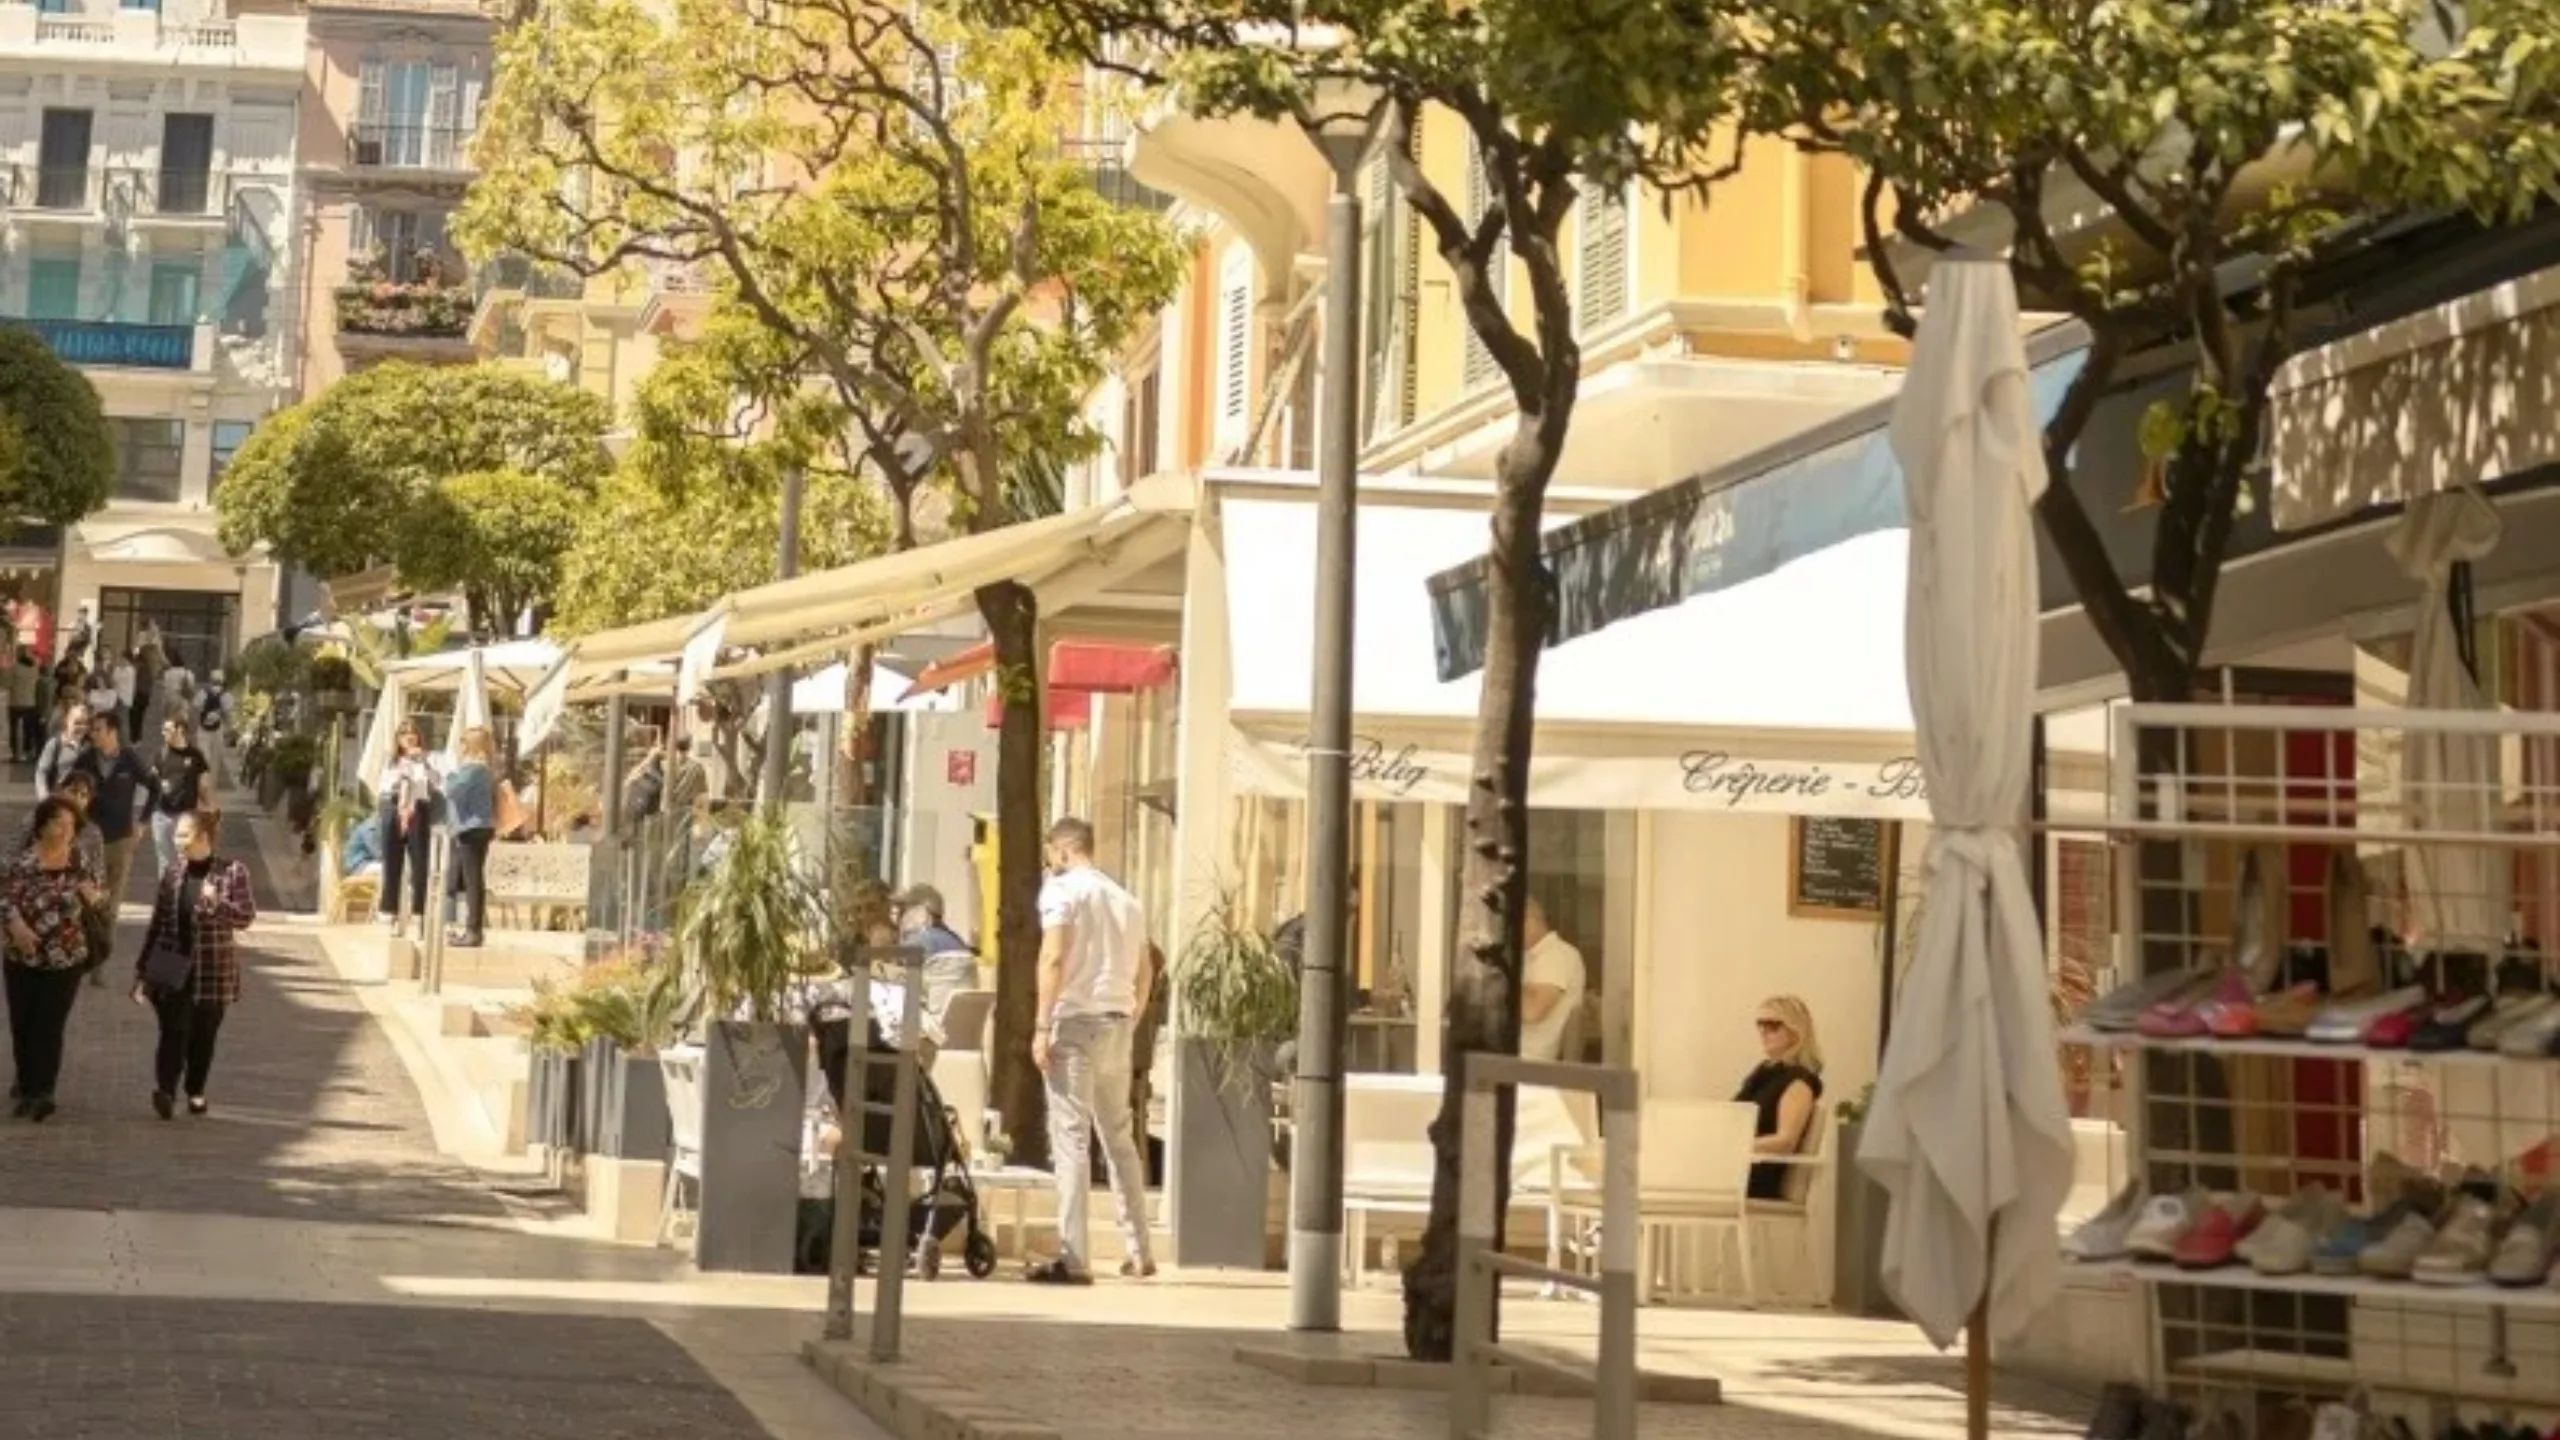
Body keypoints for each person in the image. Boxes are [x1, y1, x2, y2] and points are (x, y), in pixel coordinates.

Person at [1027, 815, 1156, 1285]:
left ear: (1061, 851)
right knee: (1119, 1138)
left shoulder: (1061, 891)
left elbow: (1053, 957)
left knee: (1071, 1139)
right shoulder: (1128, 900)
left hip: (1075, 1021)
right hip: (1118, 1021)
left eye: (1050, 855)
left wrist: (1042, 1024)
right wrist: (1131, 1014)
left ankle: (1074, 1255)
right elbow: (1146, 971)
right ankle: (1139, 1250)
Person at [134, 810, 258, 1119]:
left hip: (213, 971)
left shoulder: (232, 872)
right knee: (173, 1031)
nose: (177, 841)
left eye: (183, 835)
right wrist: (142, 970)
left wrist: (218, 903)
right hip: (174, 968)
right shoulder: (173, 873)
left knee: (203, 1036)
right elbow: (159, 921)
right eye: (176, 834)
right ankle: (165, 1090)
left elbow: (245, 917)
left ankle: (195, 1089)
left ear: (203, 837)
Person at [4, 796, 104, 1121]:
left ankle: (42, 1092)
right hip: (22, 956)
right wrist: (16, 925)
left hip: (66, 957)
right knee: (23, 1024)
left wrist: (94, 896)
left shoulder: (79, 860)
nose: (64, 831)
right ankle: (27, 1082)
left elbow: (98, 893)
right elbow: (4, 898)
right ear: (42, 826)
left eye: (70, 825)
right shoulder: (21, 862)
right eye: (58, 823)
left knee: (49, 1024)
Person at [73, 712, 158, 984]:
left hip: (120, 842)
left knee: (110, 904)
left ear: (112, 732)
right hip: (88, 842)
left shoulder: (129, 759)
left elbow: (155, 789)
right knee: (81, 899)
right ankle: (77, 956)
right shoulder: (85, 758)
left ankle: (100, 965)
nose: (92, 734)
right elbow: (68, 788)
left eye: (97, 729)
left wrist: (143, 822)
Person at [1735, 994, 1826, 1202]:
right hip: (1738, 1165)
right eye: (1760, 1025)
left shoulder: (1798, 1082)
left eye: (1772, 1025)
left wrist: (1732, 1145)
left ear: (1796, 1033)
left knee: (1672, 1169)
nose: (1763, 1032)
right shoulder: (1764, 1073)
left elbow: (1785, 1141)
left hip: (1755, 1171)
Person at [376, 723, 438, 934]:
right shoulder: (390, 761)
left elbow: (437, 782)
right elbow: (383, 785)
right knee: (392, 862)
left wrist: (423, 763)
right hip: (392, 807)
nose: (409, 737)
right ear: (398, 739)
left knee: (420, 863)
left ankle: (419, 914)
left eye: (413, 732)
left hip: (418, 808)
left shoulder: (428, 759)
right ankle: (390, 911)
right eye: (404, 733)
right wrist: (400, 775)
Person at [442, 726, 498, 948]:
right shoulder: (483, 769)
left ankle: (473, 931)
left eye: (463, 741)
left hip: (471, 829)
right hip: (476, 828)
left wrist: (448, 774)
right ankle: (468, 929)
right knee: (464, 879)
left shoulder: (473, 769)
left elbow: (452, 790)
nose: (459, 745)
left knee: (473, 880)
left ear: (470, 744)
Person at [1518, 895, 1587, 1062]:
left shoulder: (1557, 955)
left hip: (1530, 1061)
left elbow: (1532, 1012)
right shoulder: (1530, 956)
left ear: (1531, 921)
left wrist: (1500, 989)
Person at [149, 715, 215, 879]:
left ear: (180, 730)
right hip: (162, 815)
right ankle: (167, 898)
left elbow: (203, 786)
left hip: (186, 817)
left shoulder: (195, 756)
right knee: (165, 862)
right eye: (163, 730)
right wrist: (158, 784)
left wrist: (210, 808)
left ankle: (185, 896)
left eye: (167, 729)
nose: (163, 733)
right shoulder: (161, 754)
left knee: (186, 858)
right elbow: (151, 780)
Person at [33, 702, 90, 801]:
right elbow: (42, 772)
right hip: (60, 800)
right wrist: (44, 797)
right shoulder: (55, 744)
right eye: (77, 723)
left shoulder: (90, 746)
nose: (82, 727)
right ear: (67, 721)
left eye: (85, 723)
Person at [4, 646, 35, 761]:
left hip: (15, 703)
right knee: (28, 729)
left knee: (14, 729)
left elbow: (7, 683)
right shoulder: (34, 668)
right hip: (30, 702)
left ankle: (15, 754)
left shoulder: (14, 668)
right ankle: (28, 751)